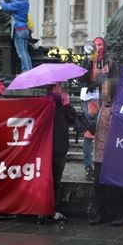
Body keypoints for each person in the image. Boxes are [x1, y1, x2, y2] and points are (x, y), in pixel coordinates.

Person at [87, 79, 123, 225]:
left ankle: (119, 214)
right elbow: (94, 127)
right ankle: (100, 213)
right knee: (98, 185)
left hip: (113, 153)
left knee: (115, 186)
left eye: (105, 89)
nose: (102, 92)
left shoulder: (117, 108)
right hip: (99, 153)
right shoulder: (101, 107)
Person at [38, 82, 77, 225]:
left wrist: (67, 105)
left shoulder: (63, 105)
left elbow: (72, 120)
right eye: (56, 87)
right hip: (46, 148)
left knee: (56, 181)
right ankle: (42, 209)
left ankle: (54, 209)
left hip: (59, 148)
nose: (59, 89)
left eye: (60, 87)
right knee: (45, 181)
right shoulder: (45, 104)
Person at [0, 0, 32, 74]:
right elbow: (16, 2)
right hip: (25, 30)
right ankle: (29, 69)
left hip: (19, 30)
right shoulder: (25, 2)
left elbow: (6, 7)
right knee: (25, 52)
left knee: (21, 53)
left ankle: (26, 71)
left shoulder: (17, 4)